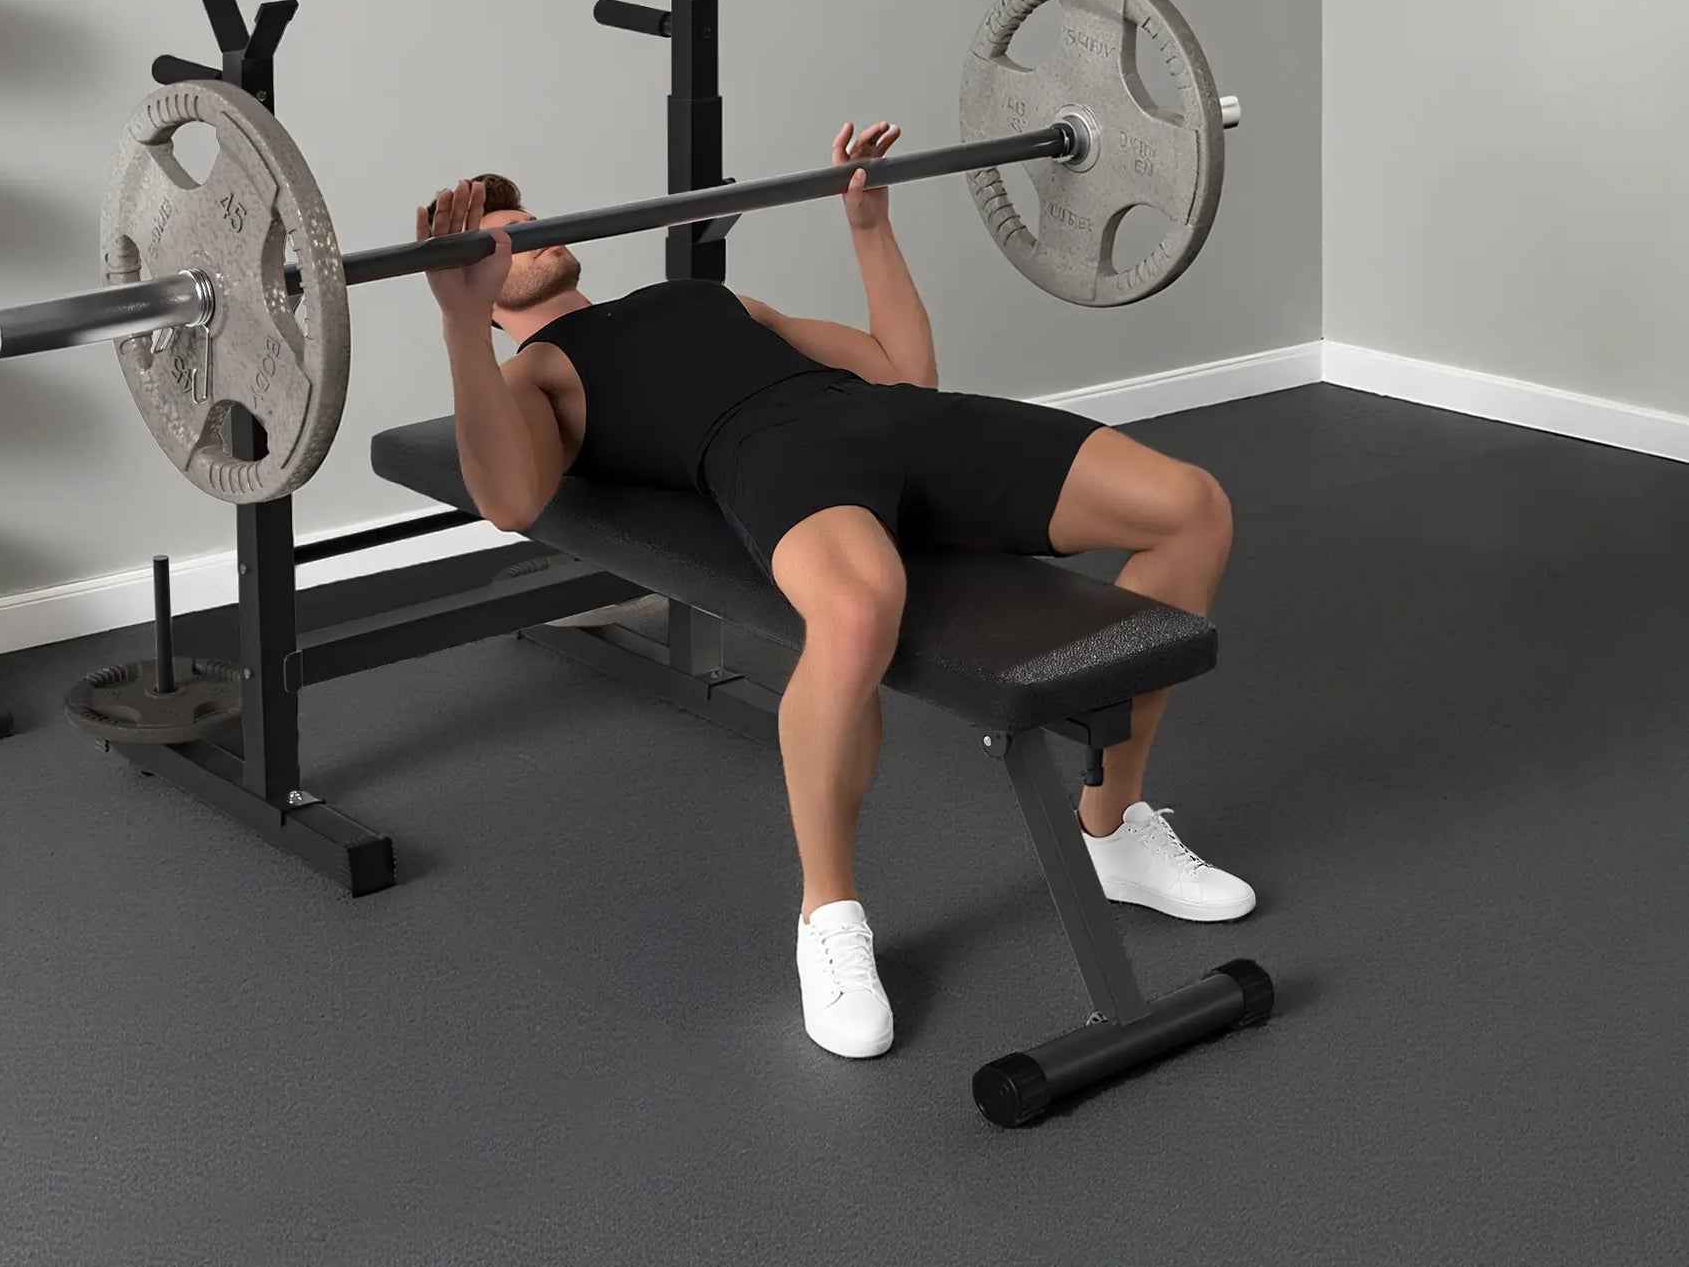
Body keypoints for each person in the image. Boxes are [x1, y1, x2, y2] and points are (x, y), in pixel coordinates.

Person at [421, 122, 1253, 1061]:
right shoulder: (532, 373)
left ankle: (1112, 826)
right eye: (496, 244)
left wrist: (867, 226)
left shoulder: (697, 296)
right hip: (766, 458)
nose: (520, 240)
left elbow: (903, 367)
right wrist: (459, 321)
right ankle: (829, 916)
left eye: (526, 224)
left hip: (895, 421)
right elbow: (510, 498)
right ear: (485, 294)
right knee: (856, 615)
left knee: (1192, 506)